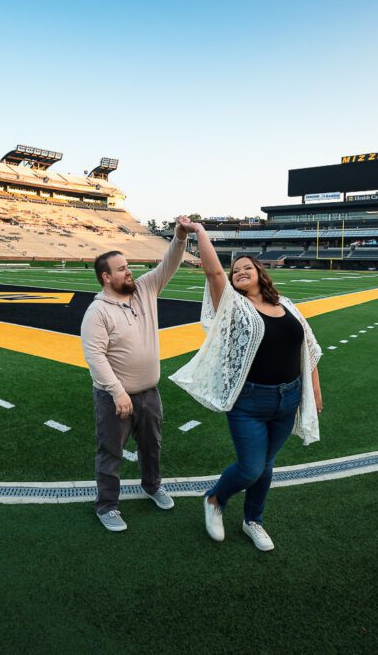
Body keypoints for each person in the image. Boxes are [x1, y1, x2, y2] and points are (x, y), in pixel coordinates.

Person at [170, 220, 322, 551]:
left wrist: (314, 391)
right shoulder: (235, 307)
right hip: (250, 402)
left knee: (265, 466)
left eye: (246, 267)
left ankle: (253, 520)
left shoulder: (287, 305)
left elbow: (307, 349)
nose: (239, 271)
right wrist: (198, 231)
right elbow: (213, 274)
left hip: (289, 398)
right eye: (235, 269)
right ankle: (214, 499)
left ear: (259, 273)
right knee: (251, 466)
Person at [80, 217, 193, 532]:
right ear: (106, 277)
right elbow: (95, 356)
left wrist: (179, 238)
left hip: (149, 393)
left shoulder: (144, 289)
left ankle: (152, 485)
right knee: (111, 452)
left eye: (128, 266)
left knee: (152, 446)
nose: (129, 271)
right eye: (121, 268)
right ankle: (107, 506)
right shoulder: (97, 311)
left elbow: (168, 265)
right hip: (115, 398)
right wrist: (117, 392)